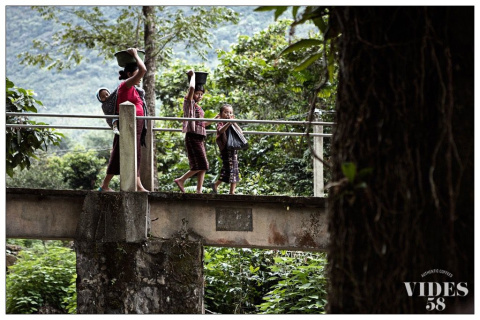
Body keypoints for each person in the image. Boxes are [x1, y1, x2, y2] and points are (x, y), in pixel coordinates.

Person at [98, 48, 148, 192]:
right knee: (118, 153)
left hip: (136, 124)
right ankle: (104, 185)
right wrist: (135, 55)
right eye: (136, 75)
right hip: (126, 124)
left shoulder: (135, 90)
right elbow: (143, 69)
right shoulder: (124, 86)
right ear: (129, 74)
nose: (139, 78)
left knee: (136, 152)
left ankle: (138, 185)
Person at [174, 69, 213, 194]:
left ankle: (199, 190)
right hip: (192, 136)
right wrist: (193, 76)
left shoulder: (198, 107)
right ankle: (181, 180)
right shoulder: (189, 102)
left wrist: (215, 119)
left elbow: (202, 124)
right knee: (201, 164)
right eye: (197, 94)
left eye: (201, 94)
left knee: (204, 165)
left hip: (200, 136)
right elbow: (191, 88)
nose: (199, 96)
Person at [212, 104, 242, 194]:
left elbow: (241, 132)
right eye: (226, 112)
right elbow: (220, 130)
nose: (228, 114)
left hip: (233, 147)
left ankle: (230, 191)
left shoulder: (232, 122)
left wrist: (234, 122)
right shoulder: (220, 122)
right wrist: (228, 123)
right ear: (221, 114)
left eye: (230, 112)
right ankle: (223, 188)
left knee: (233, 168)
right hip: (225, 148)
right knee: (230, 167)